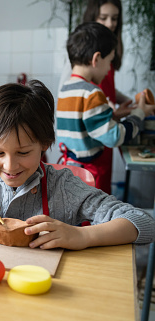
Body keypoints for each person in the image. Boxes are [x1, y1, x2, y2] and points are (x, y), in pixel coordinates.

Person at [0, 80, 155, 250]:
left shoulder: (62, 187)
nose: (10, 165)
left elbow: (143, 223)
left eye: (23, 152)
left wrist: (81, 236)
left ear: (44, 144)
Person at [57, 22, 151, 194]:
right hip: (90, 175)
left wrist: (113, 115)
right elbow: (113, 137)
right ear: (96, 59)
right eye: (109, 62)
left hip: (69, 168)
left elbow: (86, 126)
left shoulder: (66, 89)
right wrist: (139, 114)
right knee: (94, 219)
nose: (109, 68)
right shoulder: (92, 93)